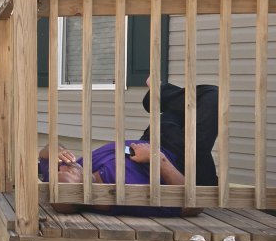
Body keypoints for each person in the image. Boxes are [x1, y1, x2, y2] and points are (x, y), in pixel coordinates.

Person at [39, 80, 218, 217]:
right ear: (86, 191)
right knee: (211, 97)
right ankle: (159, 93)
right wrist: (157, 158)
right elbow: (192, 206)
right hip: (183, 159)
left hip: (153, 140)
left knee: (179, 108)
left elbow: (44, 155)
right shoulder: (124, 197)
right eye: (69, 172)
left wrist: (56, 149)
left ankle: (158, 94)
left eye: (59, 169)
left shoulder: (74, 171)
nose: (63, 166)